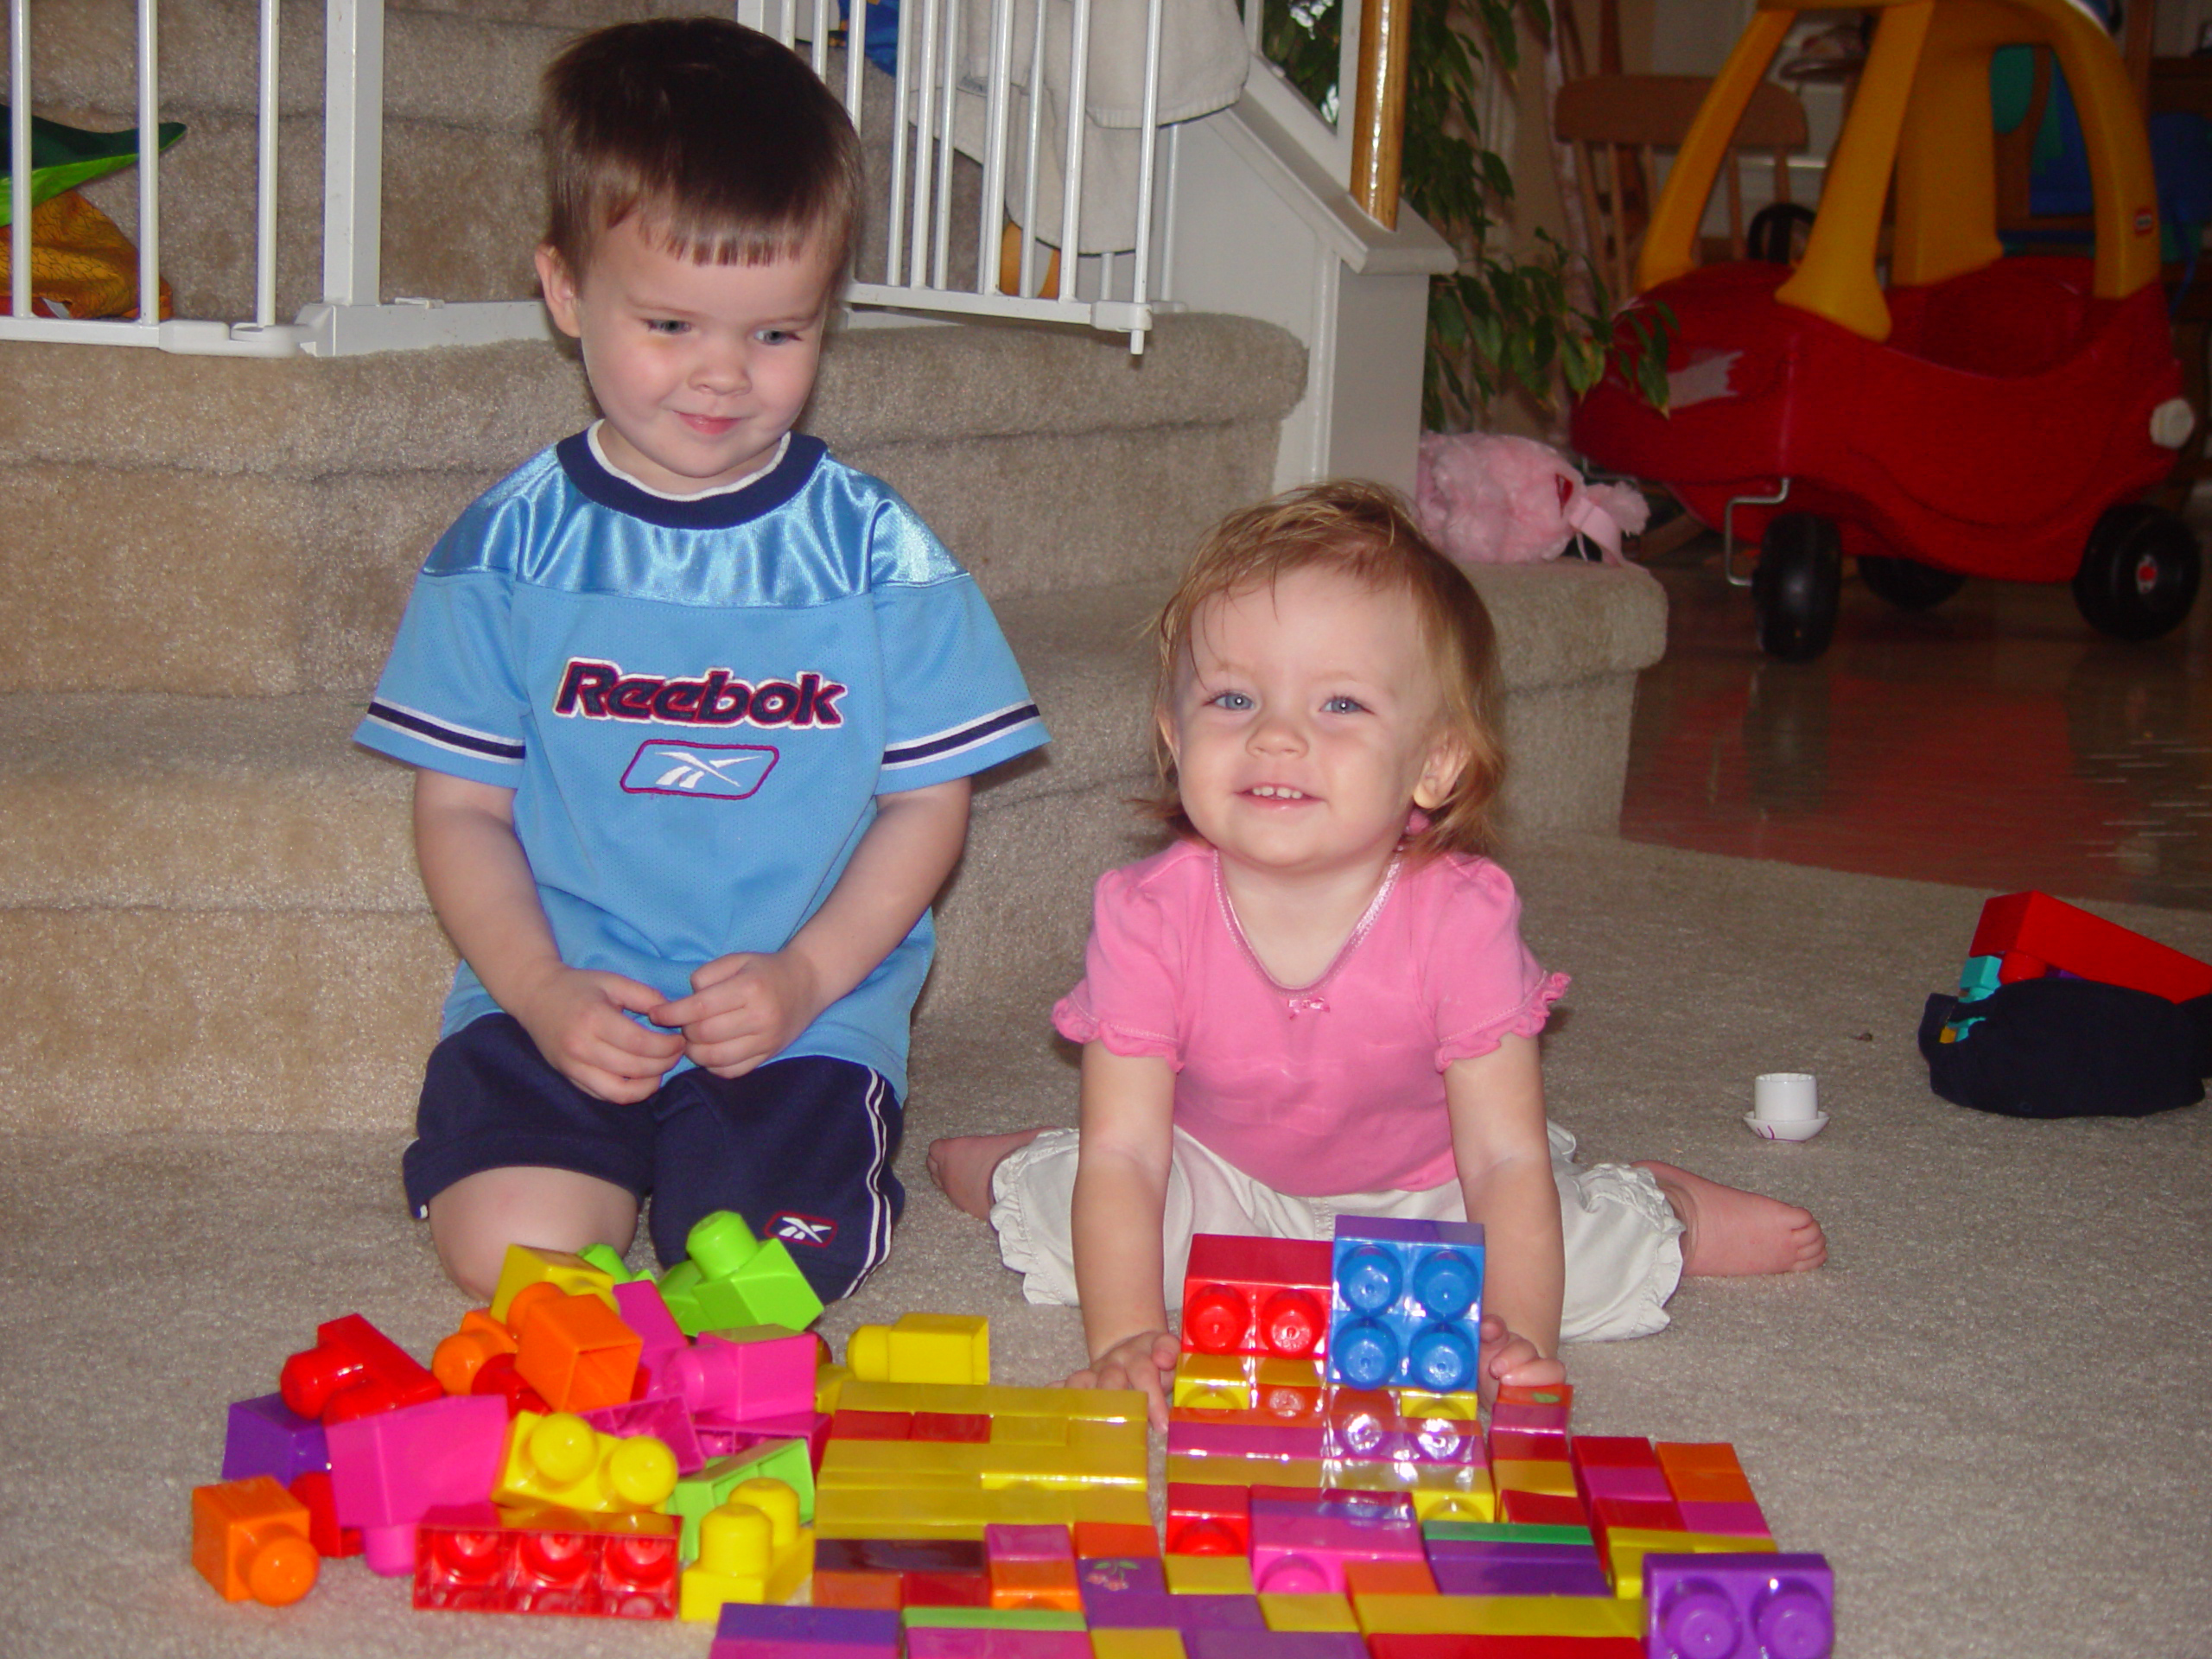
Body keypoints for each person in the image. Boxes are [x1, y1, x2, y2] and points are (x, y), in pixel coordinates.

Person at [356, 18, 1047, 1305]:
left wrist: (807, 977)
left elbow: (925, 805)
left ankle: (775, 1151)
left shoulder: (880, 555)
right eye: (671, 323)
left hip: (799, 1007)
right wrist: (541, 989)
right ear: (566, 292)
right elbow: (458, 807)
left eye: (778, 335)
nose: (724, 376)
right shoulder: (505, 550)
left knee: (766, 1271)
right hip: (561, 987)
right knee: (514, 1257)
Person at [927, 482, 1822, 1424]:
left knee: (1576, 1268)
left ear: (1434, 765)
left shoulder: (1461, 918)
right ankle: (1019, 1168)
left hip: (1424, 1194)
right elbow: (1128, 1153)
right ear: (1172, 734)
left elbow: (1503, 1159)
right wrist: (1121, 1343)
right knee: (1094, 1233)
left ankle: (1665, 1207)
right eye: (1232, 697)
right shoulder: (1143, 914)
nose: (1274, 735)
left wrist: (1512, 1340)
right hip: (1220, 1177)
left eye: (1340, 704)